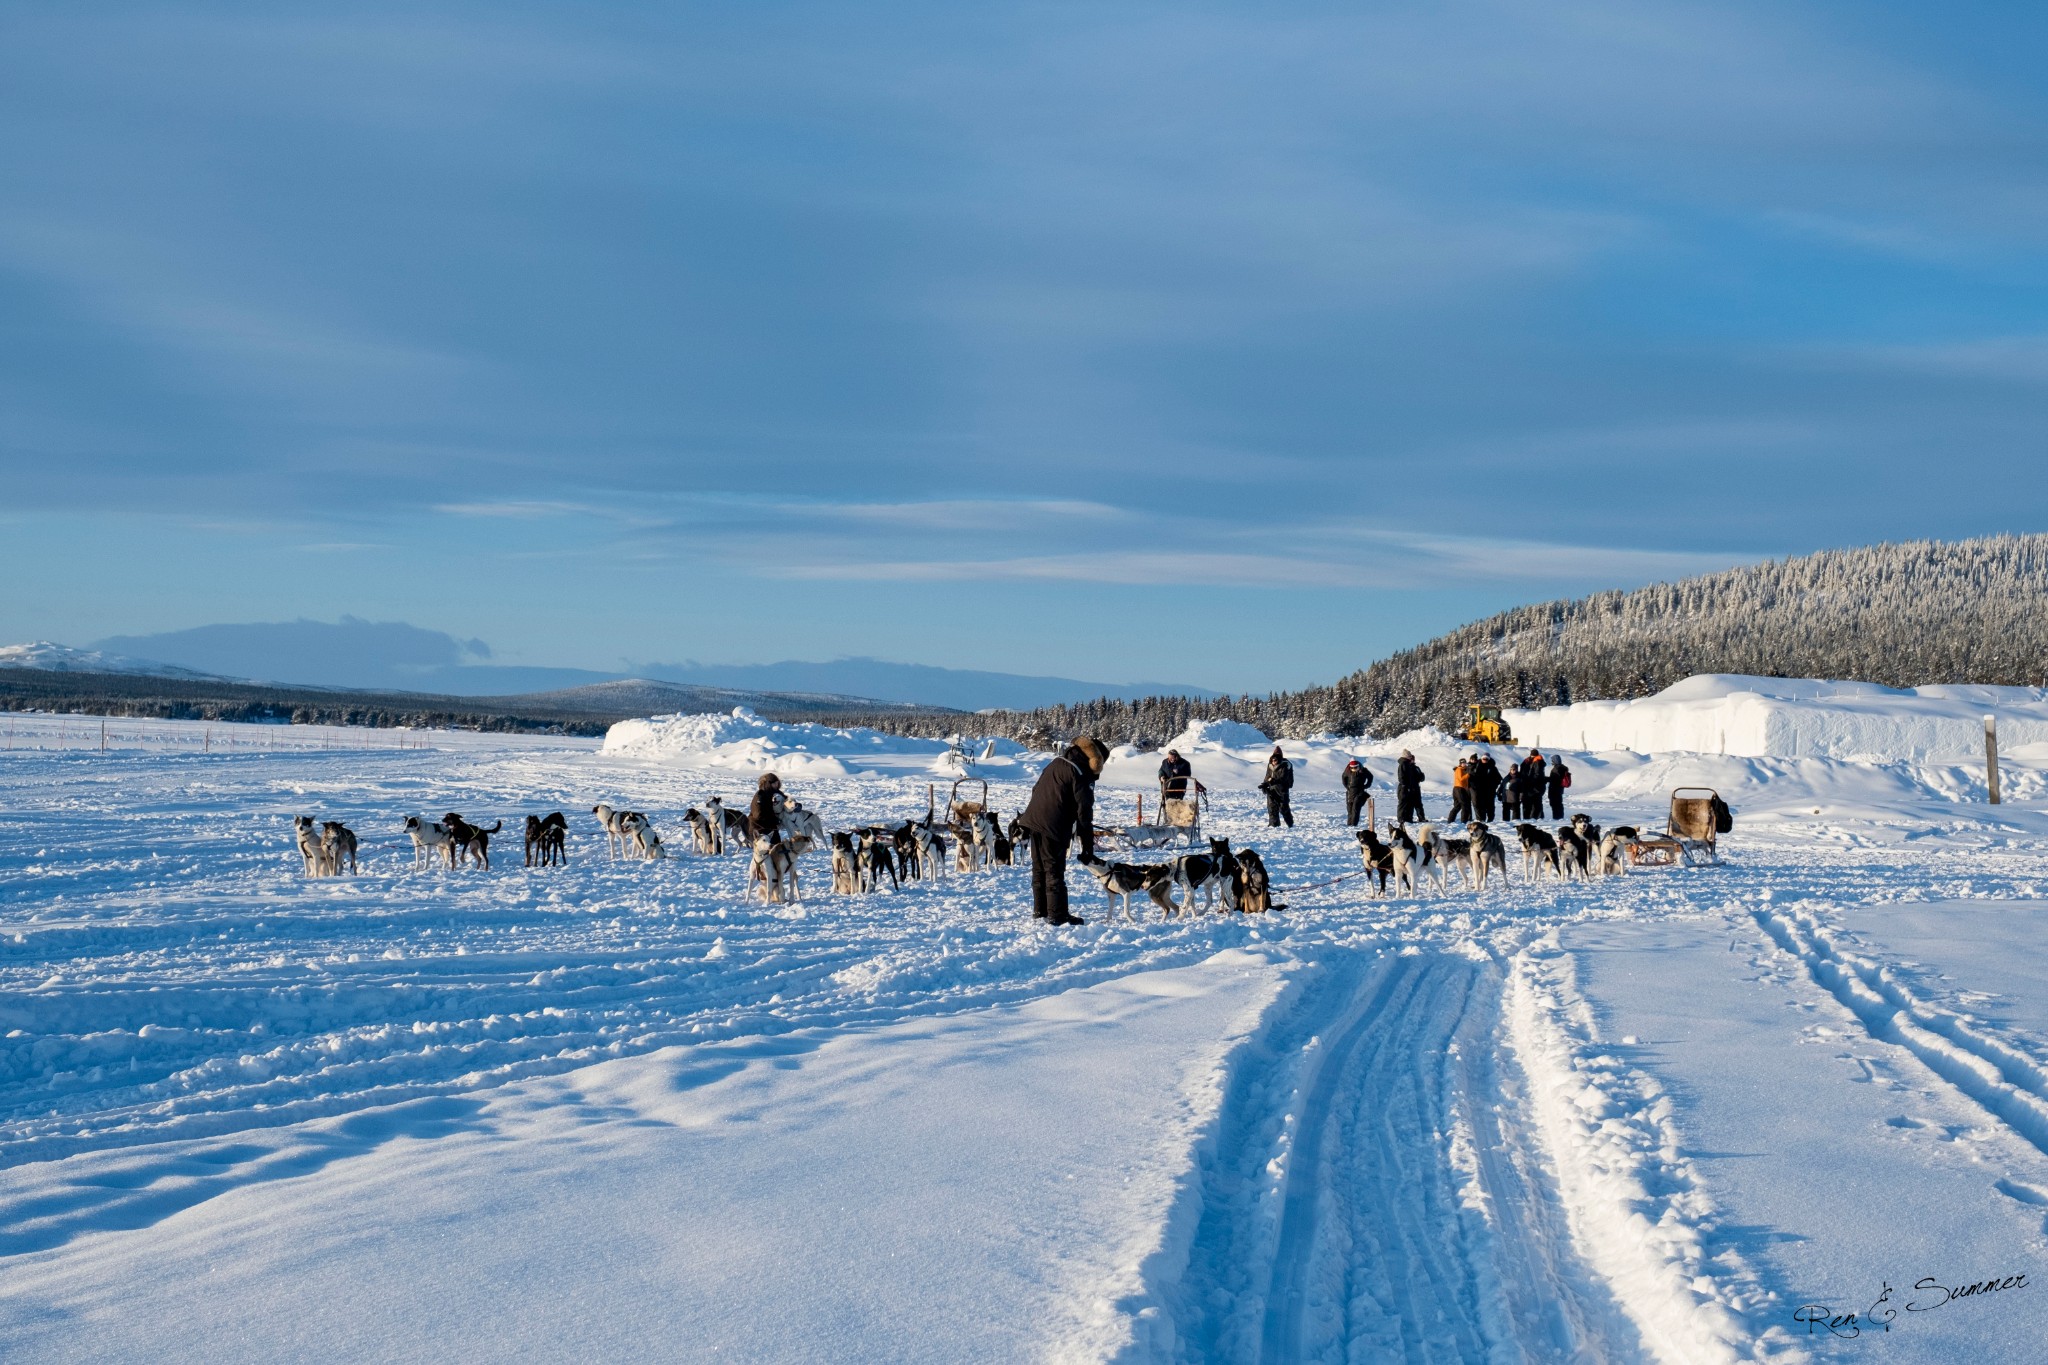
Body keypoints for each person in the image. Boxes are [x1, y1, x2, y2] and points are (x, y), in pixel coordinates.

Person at [1017, 736, 1107, 926]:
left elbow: (1036, 789)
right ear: (1096, 760)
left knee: (1039, 868)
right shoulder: (1081, 773)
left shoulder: (1057, 762)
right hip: (1054, 825)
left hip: (1034, 819)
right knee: (1054, 869)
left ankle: (1040, 910)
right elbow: (1085, 813)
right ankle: (1057, 915)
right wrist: (1088, 847)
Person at [1261, 746, 1295, 827]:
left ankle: (1290, 824)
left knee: (1283, 808)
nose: (1274, 761)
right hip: (1272, 789)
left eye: (1276, 759)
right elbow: (1267, 776)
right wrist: (1265, 784)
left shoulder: (1286, 764)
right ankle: (1274, 825)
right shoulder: (1270, 765)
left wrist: (1273, 781)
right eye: (1273, 759)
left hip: (1282, 789)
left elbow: (1283, 777)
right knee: (1271, 807)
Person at [749, 772, 783, 844]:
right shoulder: (760, 795)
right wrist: (774, 819)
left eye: (777, 783)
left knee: (778, 848)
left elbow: (786, 800)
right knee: (770, 850)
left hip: (771, 826)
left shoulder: (776, 793)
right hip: (759, 828)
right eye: (774, 783)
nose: (776, 785)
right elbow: (758, 815)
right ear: (768, 784)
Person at [1341, 756, 1374, 826]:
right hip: (1350, 792)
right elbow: (1343, 777)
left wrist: (1367, 785)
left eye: (1355, 767)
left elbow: (1370, 776)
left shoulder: (1363, 771)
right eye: (1352, 768)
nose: (1354, 769)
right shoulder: (1347, 771)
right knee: (1349, 809)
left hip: (1360, 792)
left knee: (1356, 808)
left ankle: (1354, 825)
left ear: (1358, 766)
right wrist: (1347, 786)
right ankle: (1349, 825)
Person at [1396, 750, 1426, 823]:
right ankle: (1402, 818)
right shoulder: (1403, 764)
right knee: (1403, 803)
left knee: (1413, 804)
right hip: (1405, 788)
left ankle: (1411, 818)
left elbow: (1421, 777)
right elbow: (1402, 777)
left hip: (1414, 787)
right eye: (1410, 757)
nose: (1412, 759)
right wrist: (1406, 786)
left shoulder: (1414, 767)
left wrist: (1420, 776)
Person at [1473, 754, 1500, 823]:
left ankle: (1490, 820)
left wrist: (1494, 786)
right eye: (1483, 759)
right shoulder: (1477, 766)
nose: (1485, 760)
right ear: (1481, 759)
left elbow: (1498, 778)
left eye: (1486, 759)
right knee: (1481, 806)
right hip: (1480, 790)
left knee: (1490, 806)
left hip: (1490, 791)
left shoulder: (1492, 767)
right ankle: (1482, 820)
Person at [1547, 753, 1572, 819]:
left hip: (1554, 789)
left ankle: (1557, 818)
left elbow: (1555, 779)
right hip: (1559, 789)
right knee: (1558, 804)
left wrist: (1547, 779)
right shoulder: (1563, 768)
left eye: (1552, 760)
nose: (1551, 762)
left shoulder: (1557, 769)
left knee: (1555, 805)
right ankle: (1559, 817)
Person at [1448, 757, 1473, 823]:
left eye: (1465, 763)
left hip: (1459, 789)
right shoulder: (1459, 769)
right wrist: (1468, 774)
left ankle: (1450, 820)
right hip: (1459, 788)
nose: (1464, 764)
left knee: (1457, 806)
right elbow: (1461, 779)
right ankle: (1464, 821)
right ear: (1460, 764)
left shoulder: (1463, 769)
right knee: (1464, 805)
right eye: (1462, 763)